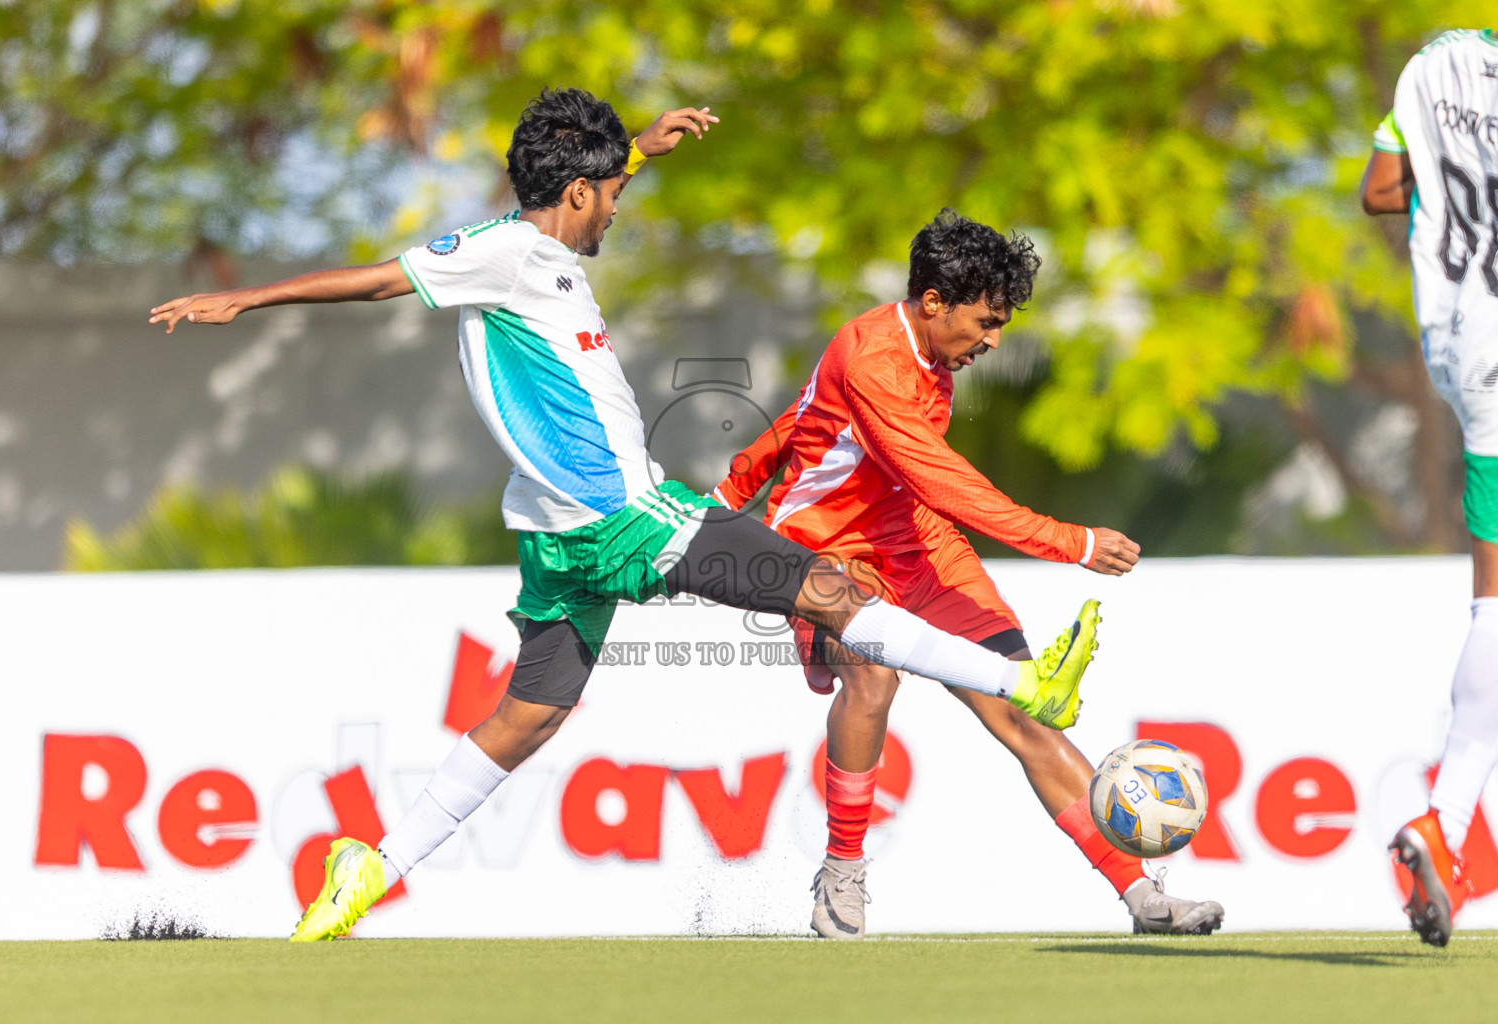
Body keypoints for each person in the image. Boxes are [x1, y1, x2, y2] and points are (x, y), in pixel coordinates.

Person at [148, 89, 1102, 941]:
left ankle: (369, 870)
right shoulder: (507, 255)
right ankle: (1026, 688)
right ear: (576, 197)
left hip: (552, 533)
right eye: (609, 193)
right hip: (627, 516)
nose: (615, 206)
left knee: (531, 715)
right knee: (832, 590)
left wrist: (637, 148)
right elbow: (378, 278)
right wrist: (248, 299)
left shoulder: (529, 244)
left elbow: (534, 215)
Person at [714, 210, 1224, 939]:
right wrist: (1070, 542)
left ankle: (1143, 897)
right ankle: (843, 871)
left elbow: (802, 416)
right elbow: (945, 484)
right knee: (872, 669)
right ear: (932, 303)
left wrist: (731, 490)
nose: (993, 340)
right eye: (986, 322)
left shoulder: (928, 355)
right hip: (825, 550)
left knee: (1028, 705)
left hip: (918, 545)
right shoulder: (873, 360)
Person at [1362, 27, 1498, 947]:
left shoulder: (1429, 66)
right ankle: (1444, 831)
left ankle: (1445, 833)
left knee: (1494, 598)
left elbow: (1378, 191)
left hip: (1459, 342)